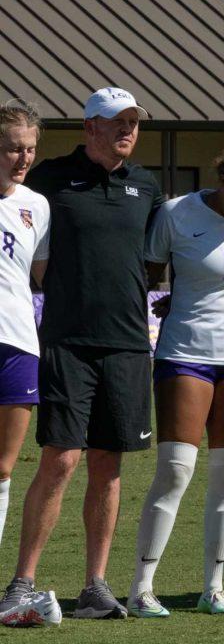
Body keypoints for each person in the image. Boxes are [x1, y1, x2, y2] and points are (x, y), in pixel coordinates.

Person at [0, 88, 160, 623]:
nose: (128, 131)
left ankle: (95, 585)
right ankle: (21, 582)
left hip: (129, 345)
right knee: (61, 458)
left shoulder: (147, 184)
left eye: (134, 123)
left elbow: (184, 228)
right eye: (117, 122)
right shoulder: (46, 180)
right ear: (89, 127)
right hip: (65, 343)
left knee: (108, 465)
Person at [125, 148, 224, 617]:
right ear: (223, 179)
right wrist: (168, 300)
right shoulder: (175, 213)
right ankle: (141, 587)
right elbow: (150, 276)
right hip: (185, 355)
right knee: (175, 469)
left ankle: (214, 587)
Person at [0, 100, 55, 628]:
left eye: (31, 148)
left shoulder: (36, 205)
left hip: (18, 344)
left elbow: (41, 275)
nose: (23, 157)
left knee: (2, 467)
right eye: (14, 147)